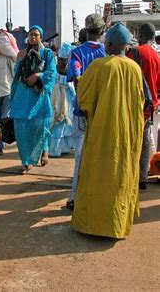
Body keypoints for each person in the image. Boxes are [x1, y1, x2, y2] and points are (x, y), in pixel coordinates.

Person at [71, 23, 144, 239]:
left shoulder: (100, 66)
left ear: (110, 44)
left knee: (97, 174)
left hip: (103, 131)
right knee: (121, 174)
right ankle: (118, 223)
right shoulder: (134, 68)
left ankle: (93, 224)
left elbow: (83, 98)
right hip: (128, 131)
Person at [65, 14, 106, 210]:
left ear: (86, 29)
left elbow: (77, 81)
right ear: (102, 30)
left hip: (82, 111)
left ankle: (75, 198)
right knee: (103, 155)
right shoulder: (110, 53)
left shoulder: (77, 52)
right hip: (104, 111)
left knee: (80, 156)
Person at [10, 25, 57, 174]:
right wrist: (13, 94)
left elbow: (52, 73)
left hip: (38, 96)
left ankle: (44, 149)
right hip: (22, 95)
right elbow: (16, 75)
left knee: (39, 126)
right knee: (21, 128)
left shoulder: (47, 54)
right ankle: (26, 161)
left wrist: (38, 76)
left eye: (36, 35)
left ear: (41, 37)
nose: (33, 37)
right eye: (31, 34)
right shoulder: (21, 54)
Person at [127, 23, 160, 190]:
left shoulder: (135, 52)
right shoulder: (156, 55)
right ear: (153, 37)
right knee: (145, 141)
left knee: (131, 140)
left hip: (135, 105)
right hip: (151, 106)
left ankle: (130, 176)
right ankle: (142, 178)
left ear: (140, 35)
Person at [49, 43, 76, 157]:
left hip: (67, 101)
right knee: (55, 123)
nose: (62, 62)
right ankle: (54, 150)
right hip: (55, 99)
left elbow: (73, 88)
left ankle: (63, 148)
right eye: (60, 60)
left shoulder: (71, 71)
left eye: (65, 60)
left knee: (65, 122)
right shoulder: (53, 69)